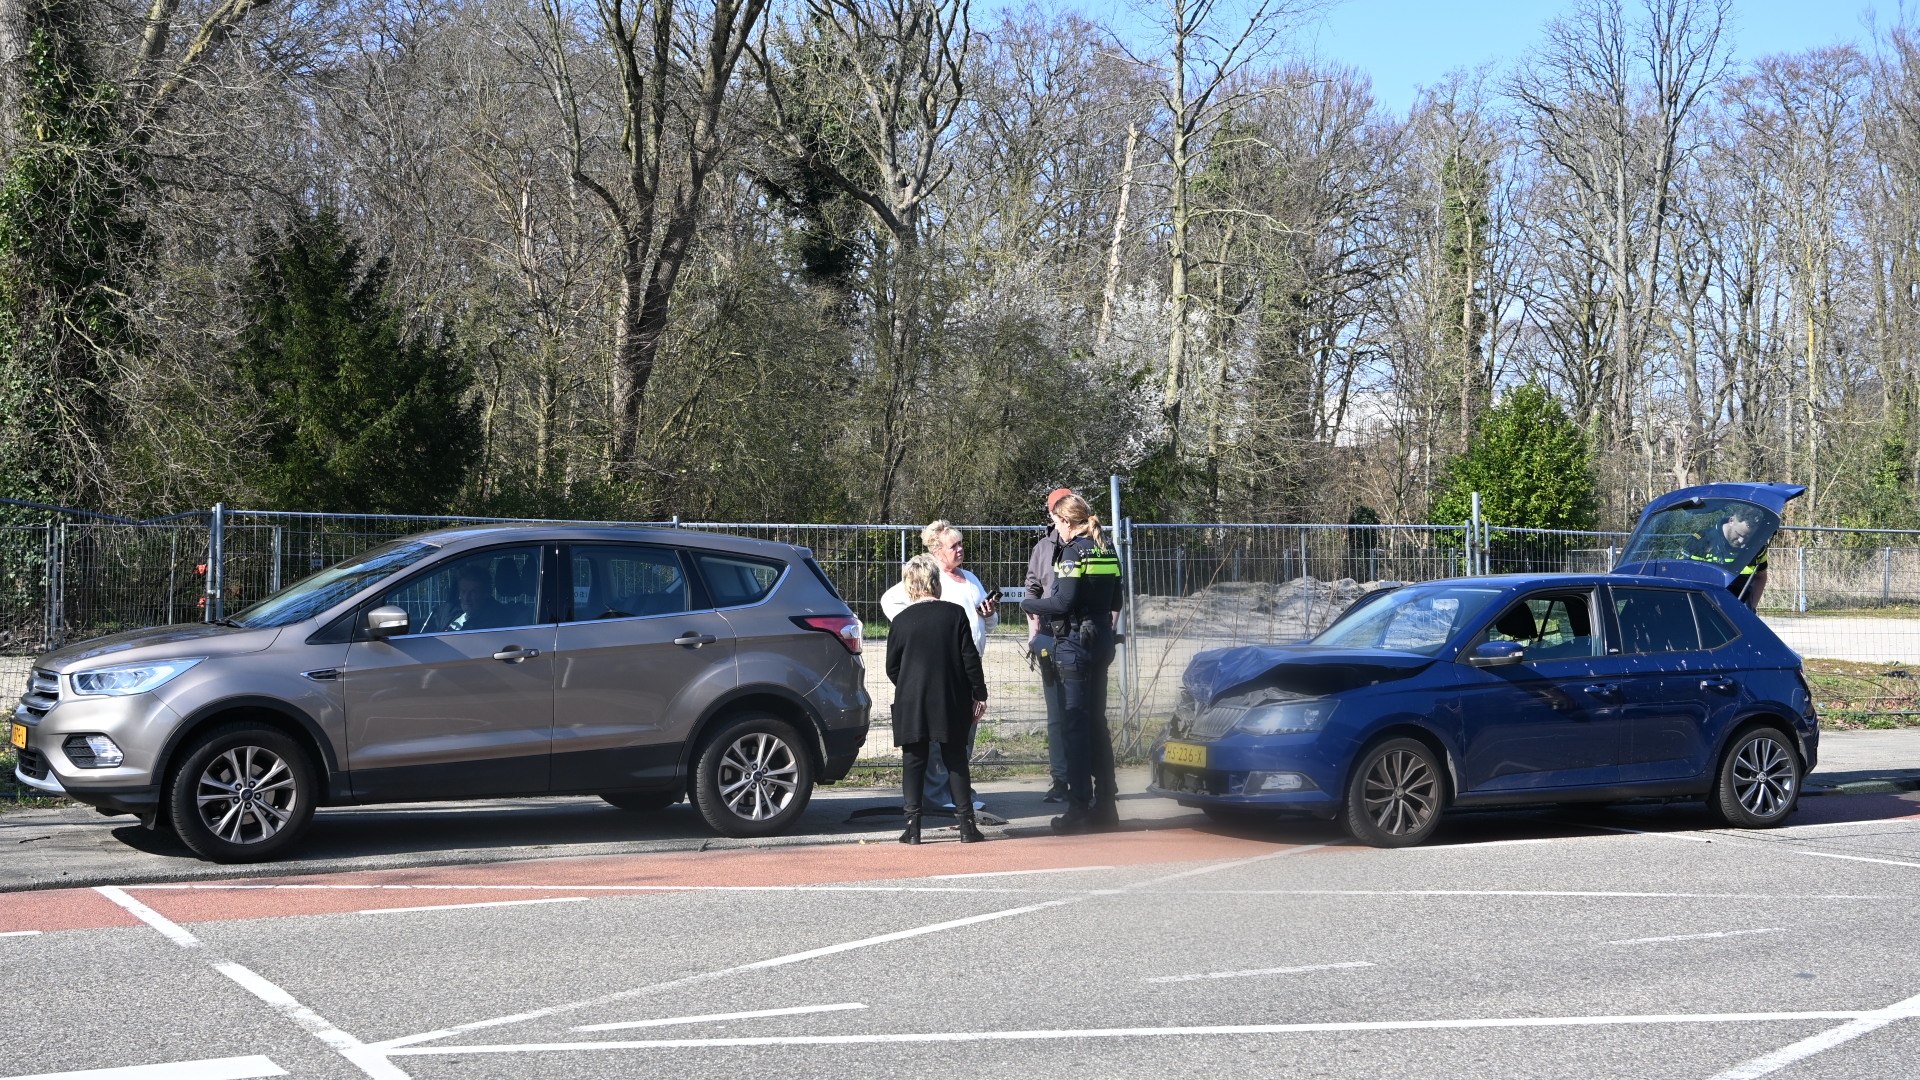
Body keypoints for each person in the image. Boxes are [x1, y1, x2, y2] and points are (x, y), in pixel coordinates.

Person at [1022, 492, 1123, 834]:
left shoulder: (1072, 551)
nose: (1057, 529)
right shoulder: (1107, 548)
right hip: (1101, 643)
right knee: (1097, 724)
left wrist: (1029, 606)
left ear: (1066, 522)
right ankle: (1106, 805)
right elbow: (1117, 599)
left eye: (1056, 523)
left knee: (1074, 726)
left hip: (1074, 644)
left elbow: (1063, 600)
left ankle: (1078, 807)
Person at [881, 521, 995, 811]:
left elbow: (988, 624)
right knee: (935, 740)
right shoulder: (928, 579)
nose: (960, 549)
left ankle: (960, 795)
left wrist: (989, 614)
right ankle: (936, 797)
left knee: (963, 735)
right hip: (939, 671)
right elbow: (889, 602)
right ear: (936, 551)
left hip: (967, 668)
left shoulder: (969, 578)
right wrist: (916, 633)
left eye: (960, 543)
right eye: (953, 545)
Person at [1026, 488, 1075, 802]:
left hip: (1080, 641)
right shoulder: (1043, 548)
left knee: (1085, 713)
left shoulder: (1093, 546)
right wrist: (1034, 634)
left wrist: (1106, 631)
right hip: (1048, 640)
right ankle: (1061, 781)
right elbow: (1031, 589)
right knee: (1056, 715)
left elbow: (1113, 595)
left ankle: (1090, 780)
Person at [1684, 507, 1770, 612]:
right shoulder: (1701, 542)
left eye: (1748, 537)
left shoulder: (1756, 547)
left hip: (1739, 611)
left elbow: (1760, 577)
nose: (1741, 541)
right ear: (1731, 520)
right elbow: (1683, 575)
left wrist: (1751, 608)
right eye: (1739, 534)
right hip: (1703, 610)